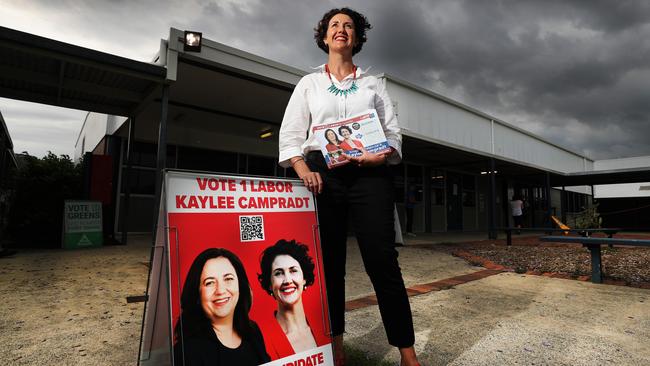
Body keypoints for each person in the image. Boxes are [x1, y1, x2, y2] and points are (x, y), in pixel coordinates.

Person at [278, 7, 421, 366]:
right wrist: (300, 166)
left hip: (370, 175)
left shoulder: (375, 84)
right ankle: (335, 348)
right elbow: (292, 135)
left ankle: (407, 352)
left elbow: (393, 135)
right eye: (334, 25)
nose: (341, 30)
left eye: (349, 26)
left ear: (357, 38)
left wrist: (380, 156)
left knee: (383, 261)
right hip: (322, 177)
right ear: (324, 37)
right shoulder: (309, 84)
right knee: (328, 265)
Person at [174, 248, 270, 366]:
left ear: (240, 285)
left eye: (228, 279)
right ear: (197, 294)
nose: (220, 291)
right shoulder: (186, 351)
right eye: (209, 283)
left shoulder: (252, 331)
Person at [257, 239, 326, 359]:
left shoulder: (325, 326)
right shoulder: (260, 341)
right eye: (278, 273)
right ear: (269, 284)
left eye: (293, 271)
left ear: (304, 278)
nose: (287, 280)